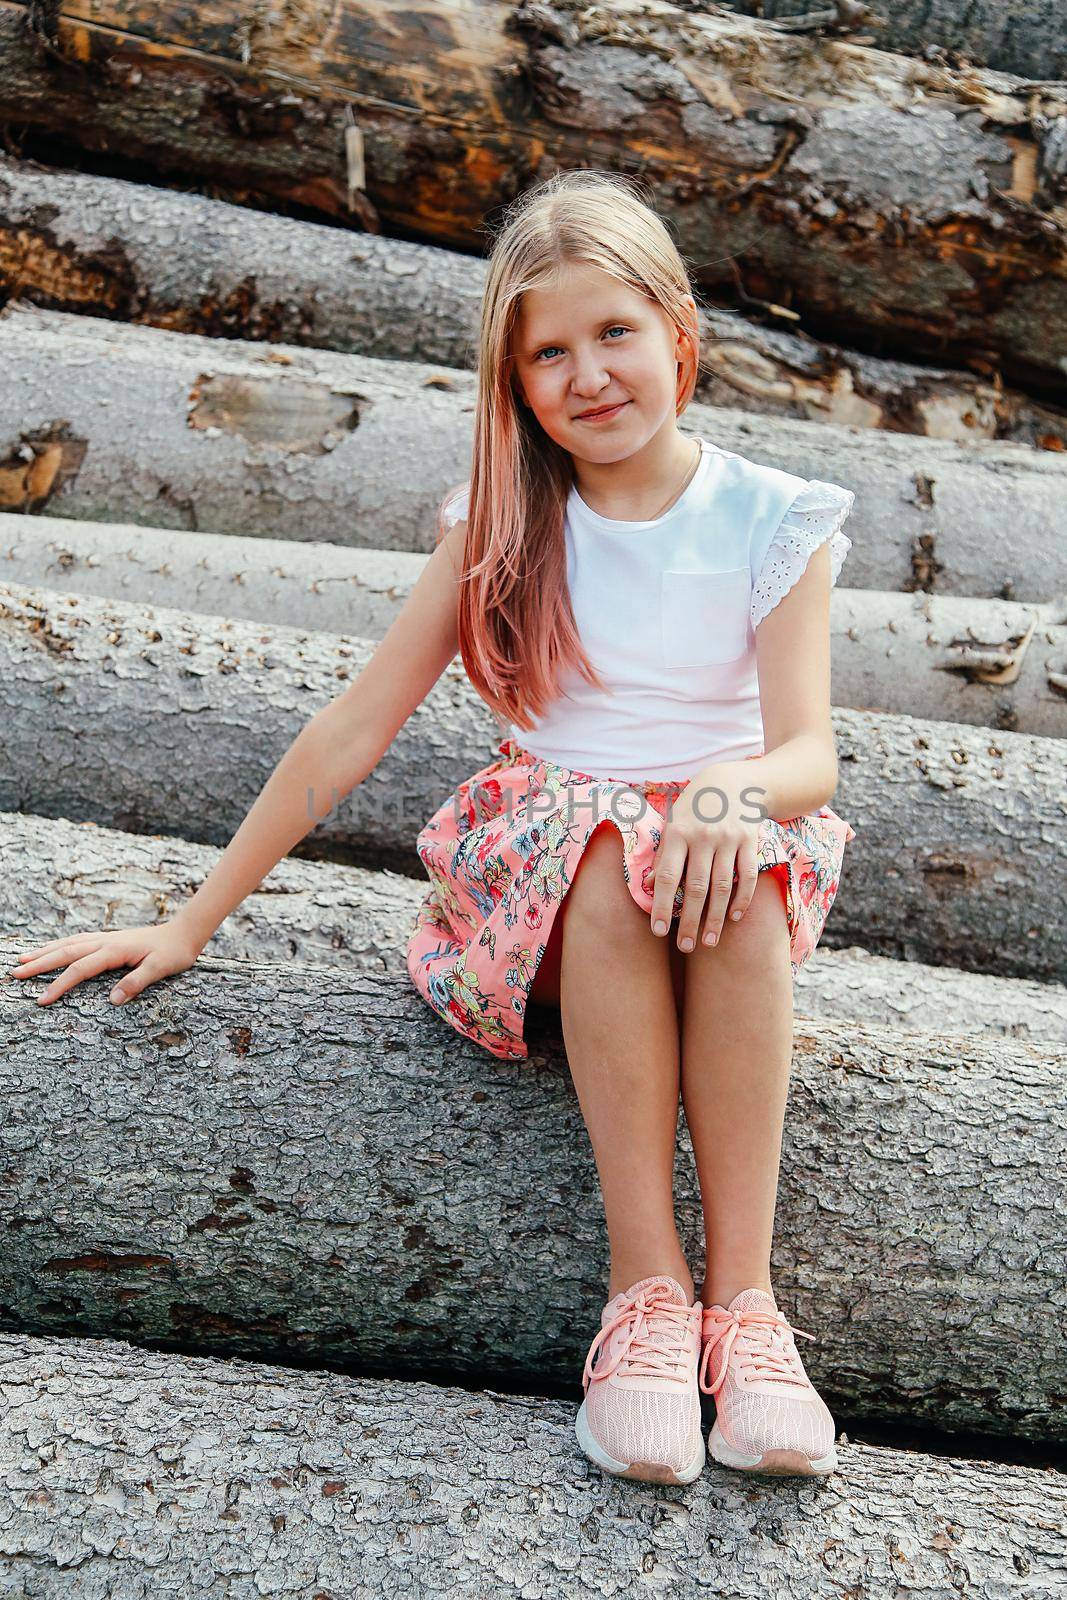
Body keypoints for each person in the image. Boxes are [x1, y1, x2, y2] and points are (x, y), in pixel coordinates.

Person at [10, 169, 856, 1488]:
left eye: (615, 333)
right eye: (550, 354)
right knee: (604, 851)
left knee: (724, 865)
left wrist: (726, 790)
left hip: (716, 861)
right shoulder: (505, 532)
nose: (589, 374)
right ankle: (645, 1297)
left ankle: (745, 1316)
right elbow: (353, 730)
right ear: (515, 386)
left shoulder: (771, 519)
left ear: (680, 336)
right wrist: (192, 918)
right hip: (551, 893)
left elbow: (809, 750)